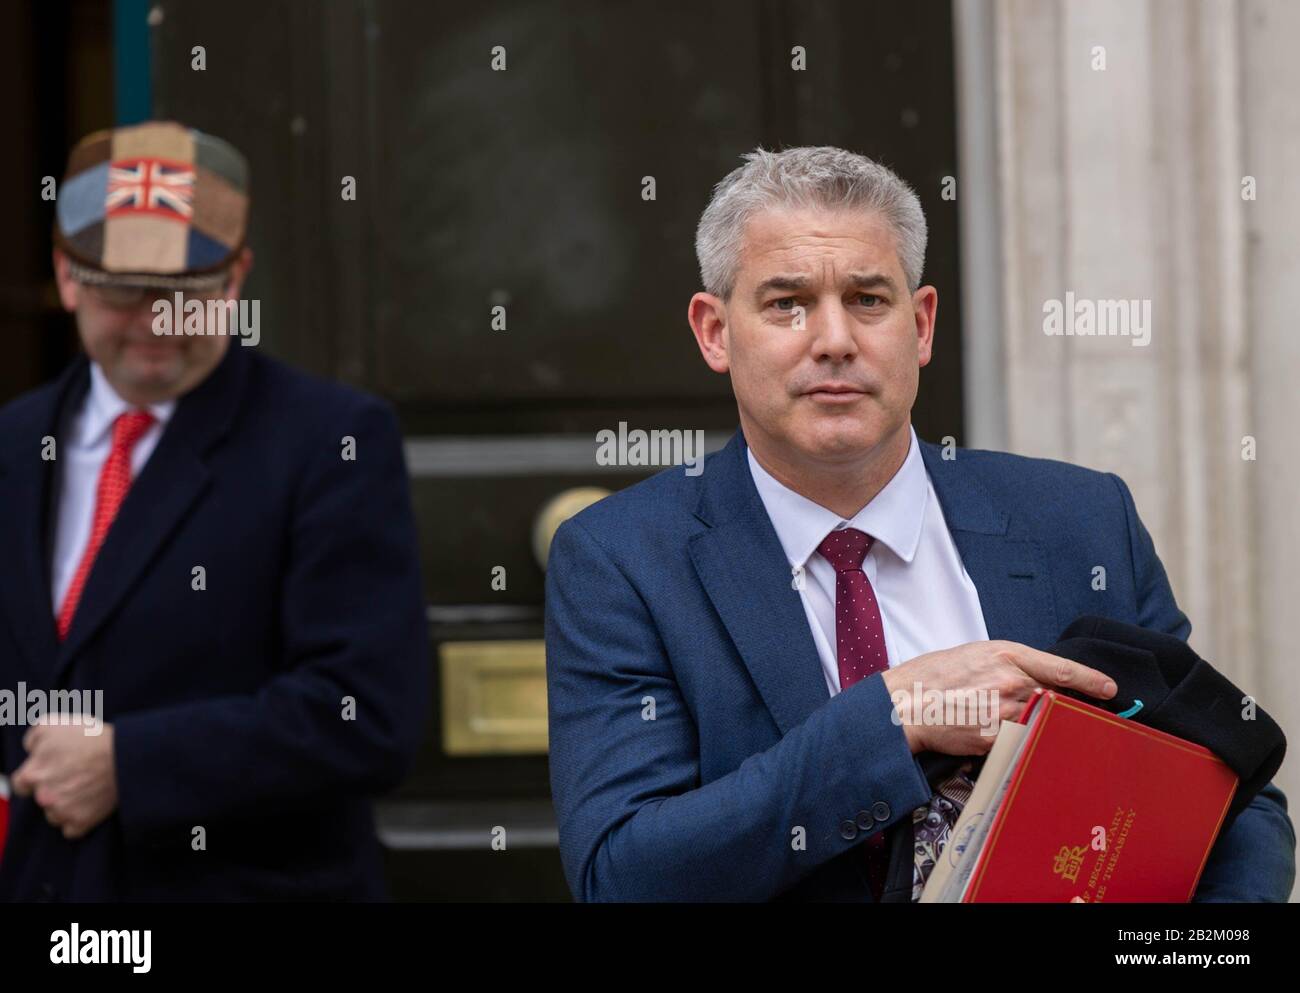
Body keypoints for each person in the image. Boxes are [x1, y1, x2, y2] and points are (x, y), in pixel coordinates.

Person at [544, 145, 1295, 902]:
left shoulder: (1081, 521)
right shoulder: (624, 560)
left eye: (869, 299)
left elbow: (1232, 802)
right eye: (786, 303)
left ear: (923, 323)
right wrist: (893, 717)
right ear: (714, 331)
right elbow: (624, 874)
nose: (834, 338)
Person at [0, 120, 429, 901]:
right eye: (128, 292)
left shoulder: (331, 439)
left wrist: (126, 763)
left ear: (236, 281)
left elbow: (368, 713)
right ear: (67, 278)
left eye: (190, 293)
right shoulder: (13, 441)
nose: (160, 322)